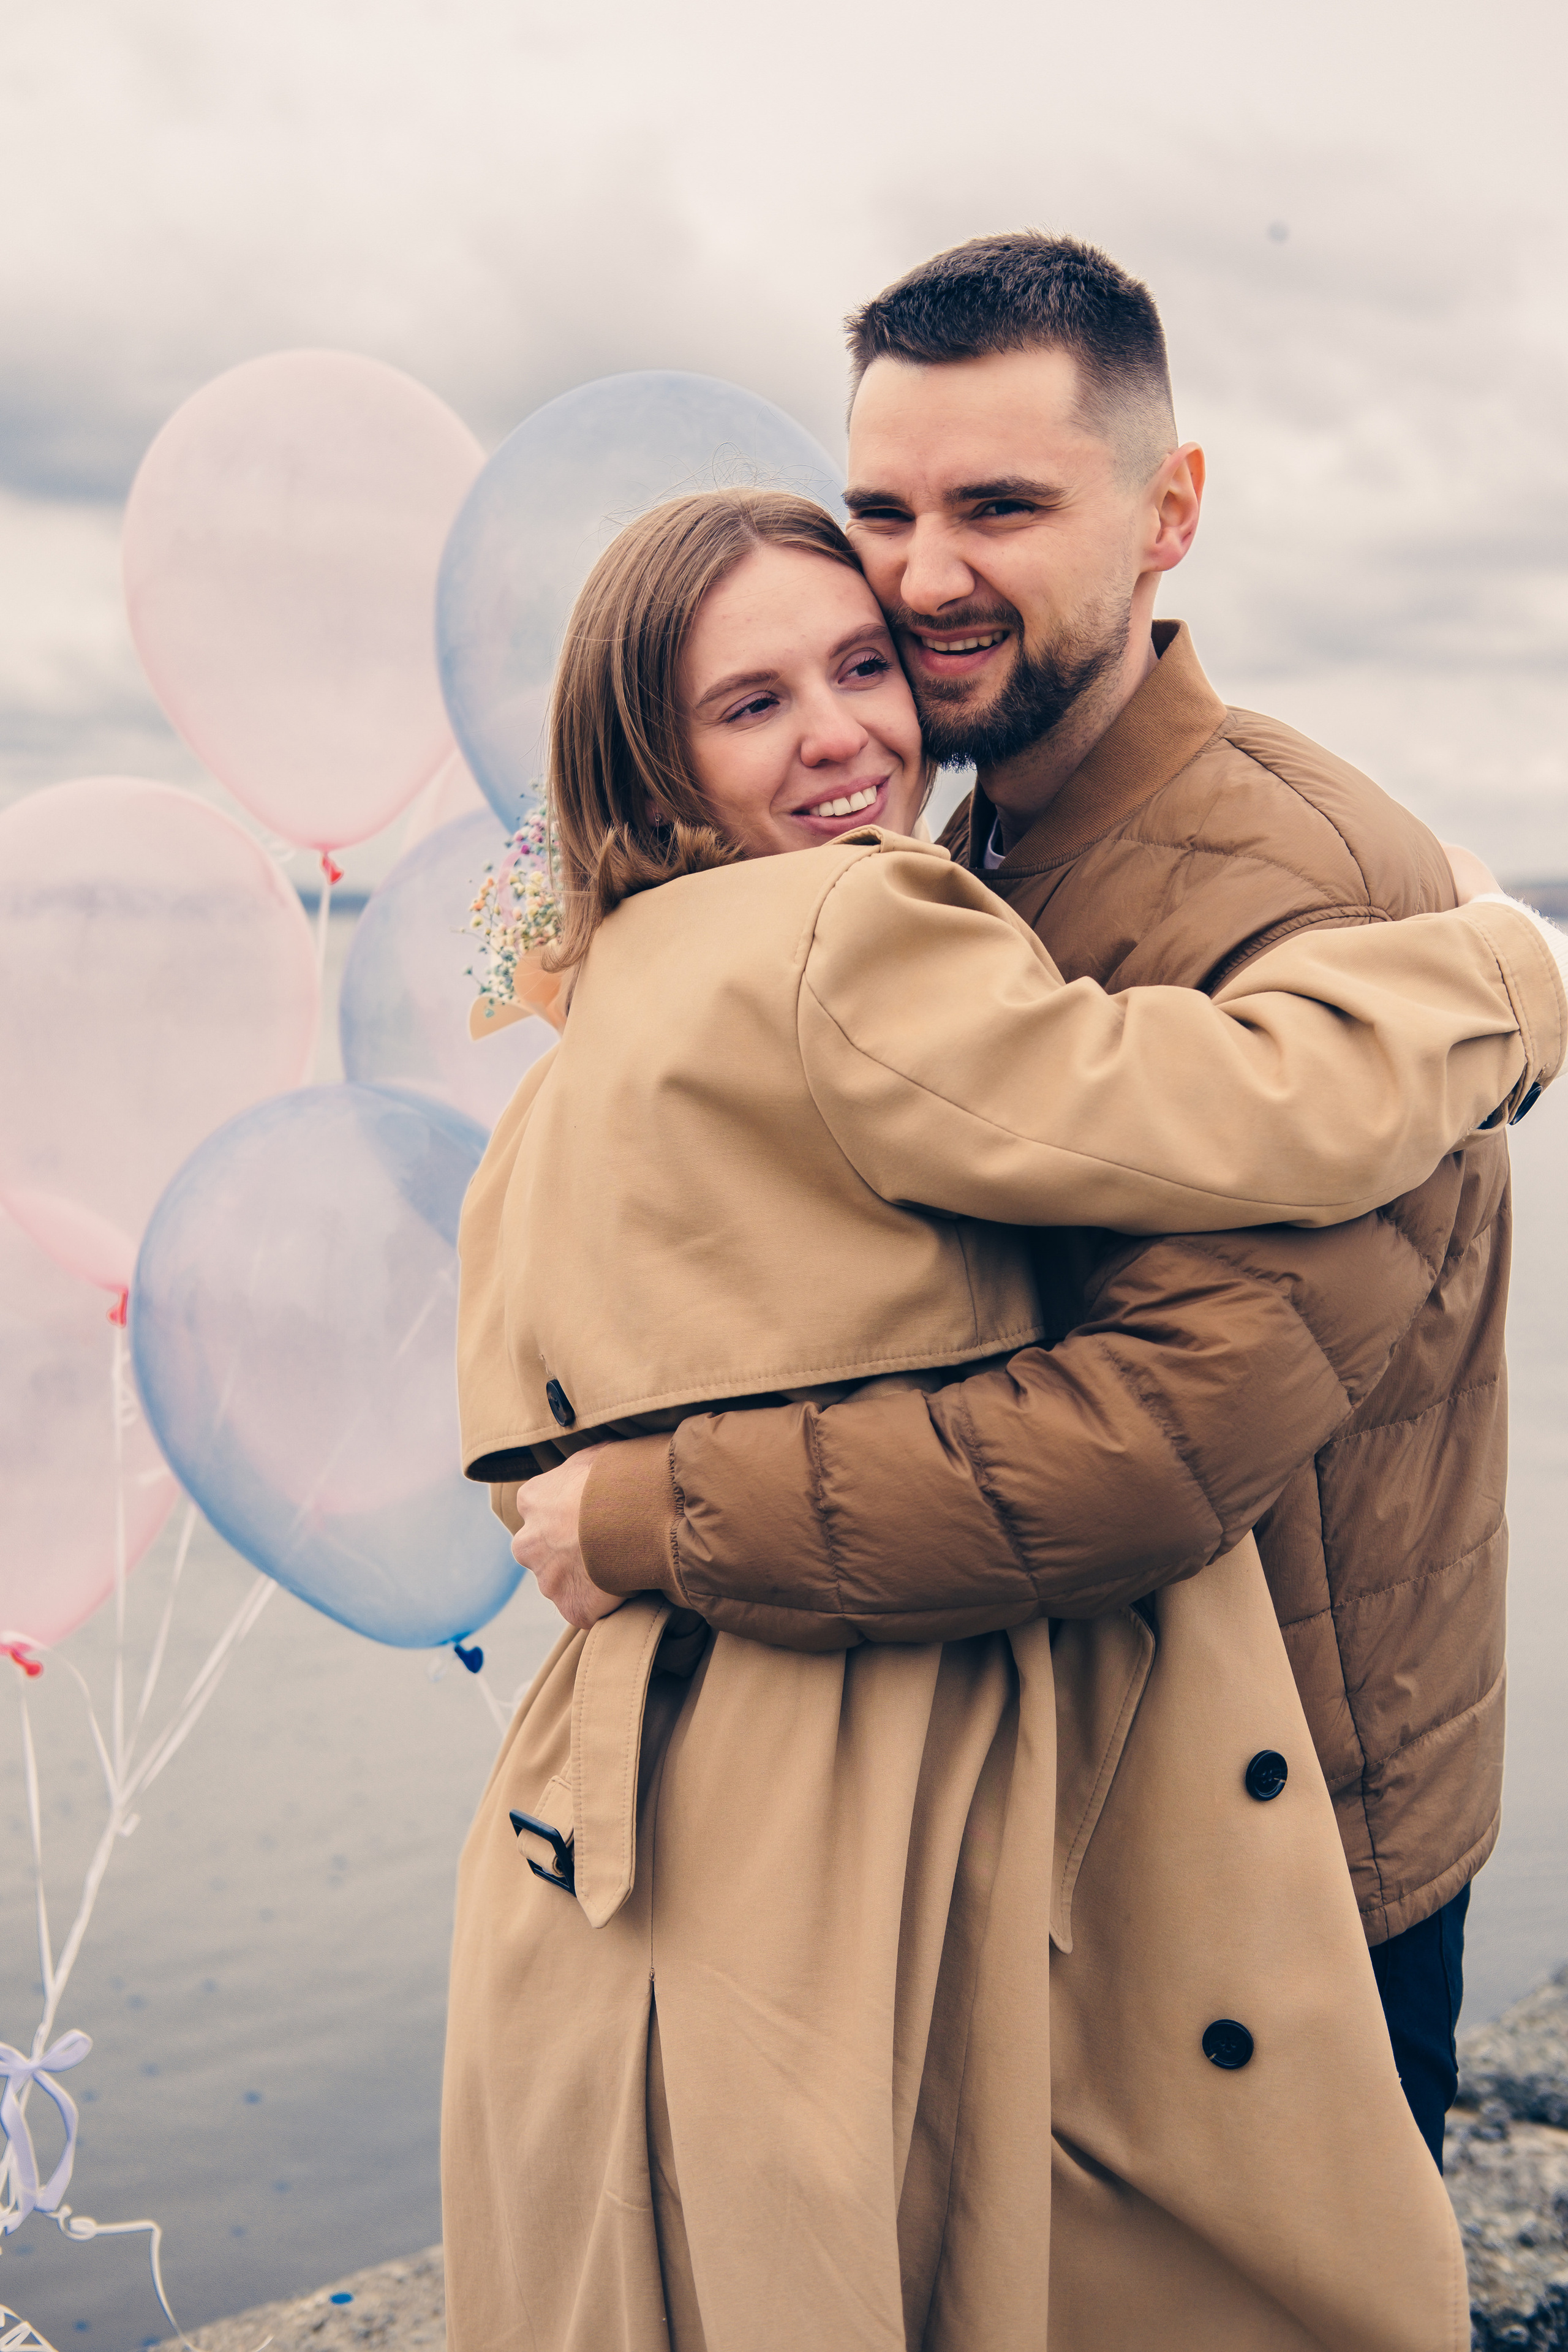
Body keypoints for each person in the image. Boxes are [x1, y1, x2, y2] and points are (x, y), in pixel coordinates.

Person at [442, 487, 1563, 2351]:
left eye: (861, 668)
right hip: (840, 1764)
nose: (841, 735)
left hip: (620, 1779)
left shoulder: (605, 988)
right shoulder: (848, 923)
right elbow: (1219, 1104)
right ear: (654, 756)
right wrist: (1505, 967)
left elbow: (518, 1433)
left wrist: (630, 1498)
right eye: (753, 705)